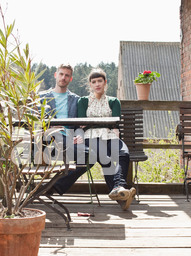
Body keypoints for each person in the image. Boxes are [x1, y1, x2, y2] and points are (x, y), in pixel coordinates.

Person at [48, 67, 136, 210]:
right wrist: (84, 131)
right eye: (93, 82)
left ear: (105, 82)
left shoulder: (114, 101)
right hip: (91, 136)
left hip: (109, 135)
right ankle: (120, 190)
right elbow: (82, 124)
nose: (97, 84)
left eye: (99, 81)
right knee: (104, 157)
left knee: (123, 153)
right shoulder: (83, 101)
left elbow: (115, 123)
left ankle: (119, 187)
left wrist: (111, 130)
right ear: (90, 84)